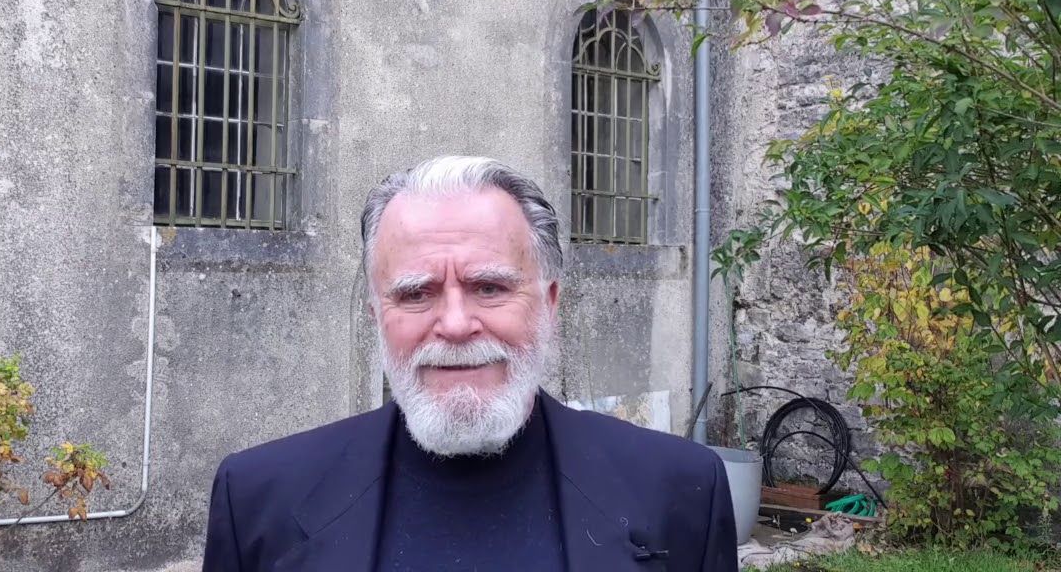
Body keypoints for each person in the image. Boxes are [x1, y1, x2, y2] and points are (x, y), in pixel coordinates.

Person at [202, 156, 737, 572]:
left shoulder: (682, 491)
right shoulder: (258, 502)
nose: (456, 325)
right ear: (377, 315)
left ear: (549, 303)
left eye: (489, 287)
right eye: (416, 293)